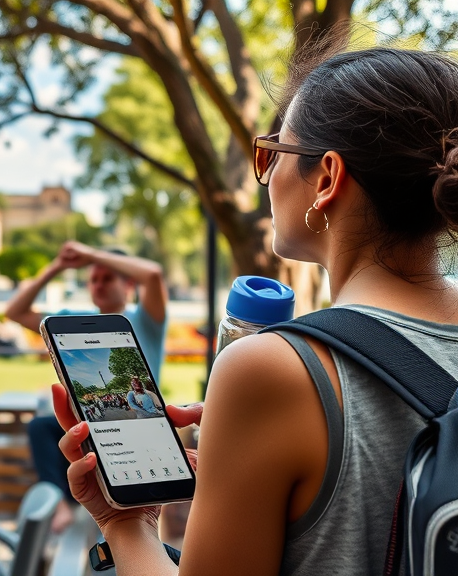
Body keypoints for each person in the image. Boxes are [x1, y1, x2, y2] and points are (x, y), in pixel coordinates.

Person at [55, 46, 458, 575]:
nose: (264, 178)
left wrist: (123, 521)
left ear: (327, 177)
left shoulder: (271, 370)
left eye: (271, 154)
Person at [5, 241, 168, 531]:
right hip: (85, 425)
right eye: (93, 279)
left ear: (128, 284)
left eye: (107, 278)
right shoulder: (71, 320)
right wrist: (58, 266)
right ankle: (59, 504)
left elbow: (153, 274)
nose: (99, 285)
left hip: (137, 428)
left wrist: (92, 254)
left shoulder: (145, 321)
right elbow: (15, 312)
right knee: (42, 428)